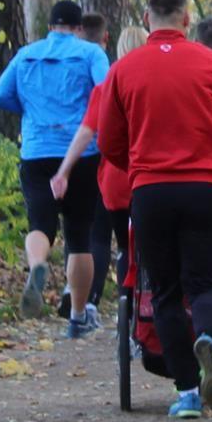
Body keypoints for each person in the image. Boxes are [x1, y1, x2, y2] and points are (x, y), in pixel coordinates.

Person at [95, 0, 212, 418]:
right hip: (204, 189)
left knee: (164, 293)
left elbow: (107, 142)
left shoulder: (123, 70)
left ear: (146, 19)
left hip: (150, 192)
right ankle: (210, 342)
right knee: (205, 284)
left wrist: (138, 167)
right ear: (185, 19)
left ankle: (186, 394)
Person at [0, 0, 111, 321]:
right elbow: (107, 92)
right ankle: (77, 315)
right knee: (80, 236)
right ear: (79, 28)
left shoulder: (26, 54)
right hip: (82, 153)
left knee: (40, 222)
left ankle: (38, 265)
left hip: (36, 150)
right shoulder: (91, 53)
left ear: (49, 27)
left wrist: (30, 111)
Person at [48, 23, 149, 338]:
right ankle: (148, 315)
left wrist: (64, 169)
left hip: (115, 181)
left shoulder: (105, 88)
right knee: (150, 247)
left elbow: (87, 131)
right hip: (152, 177)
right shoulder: (154, 80)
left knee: (121, 248)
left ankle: (122, 310)